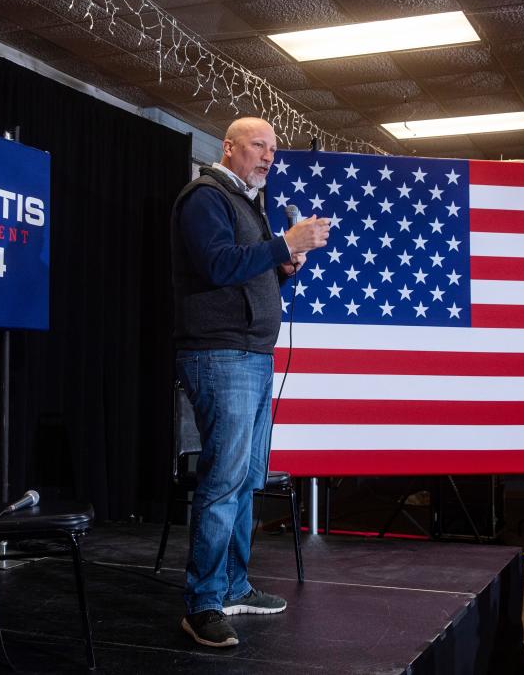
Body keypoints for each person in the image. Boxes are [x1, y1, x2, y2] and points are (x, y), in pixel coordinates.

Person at [170, 116, 330, 648]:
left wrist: (281, 265)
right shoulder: (205, 197)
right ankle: (203, 603)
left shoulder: (249, 202)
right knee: (222, 482)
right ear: (229, 147)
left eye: (272, 149)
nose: (268, 156)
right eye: (258, 146)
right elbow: (216, 265)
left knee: (244, 479)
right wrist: (282, 244)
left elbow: (244, 266)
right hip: (221, 353)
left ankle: (234, 585)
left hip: (253, 354)